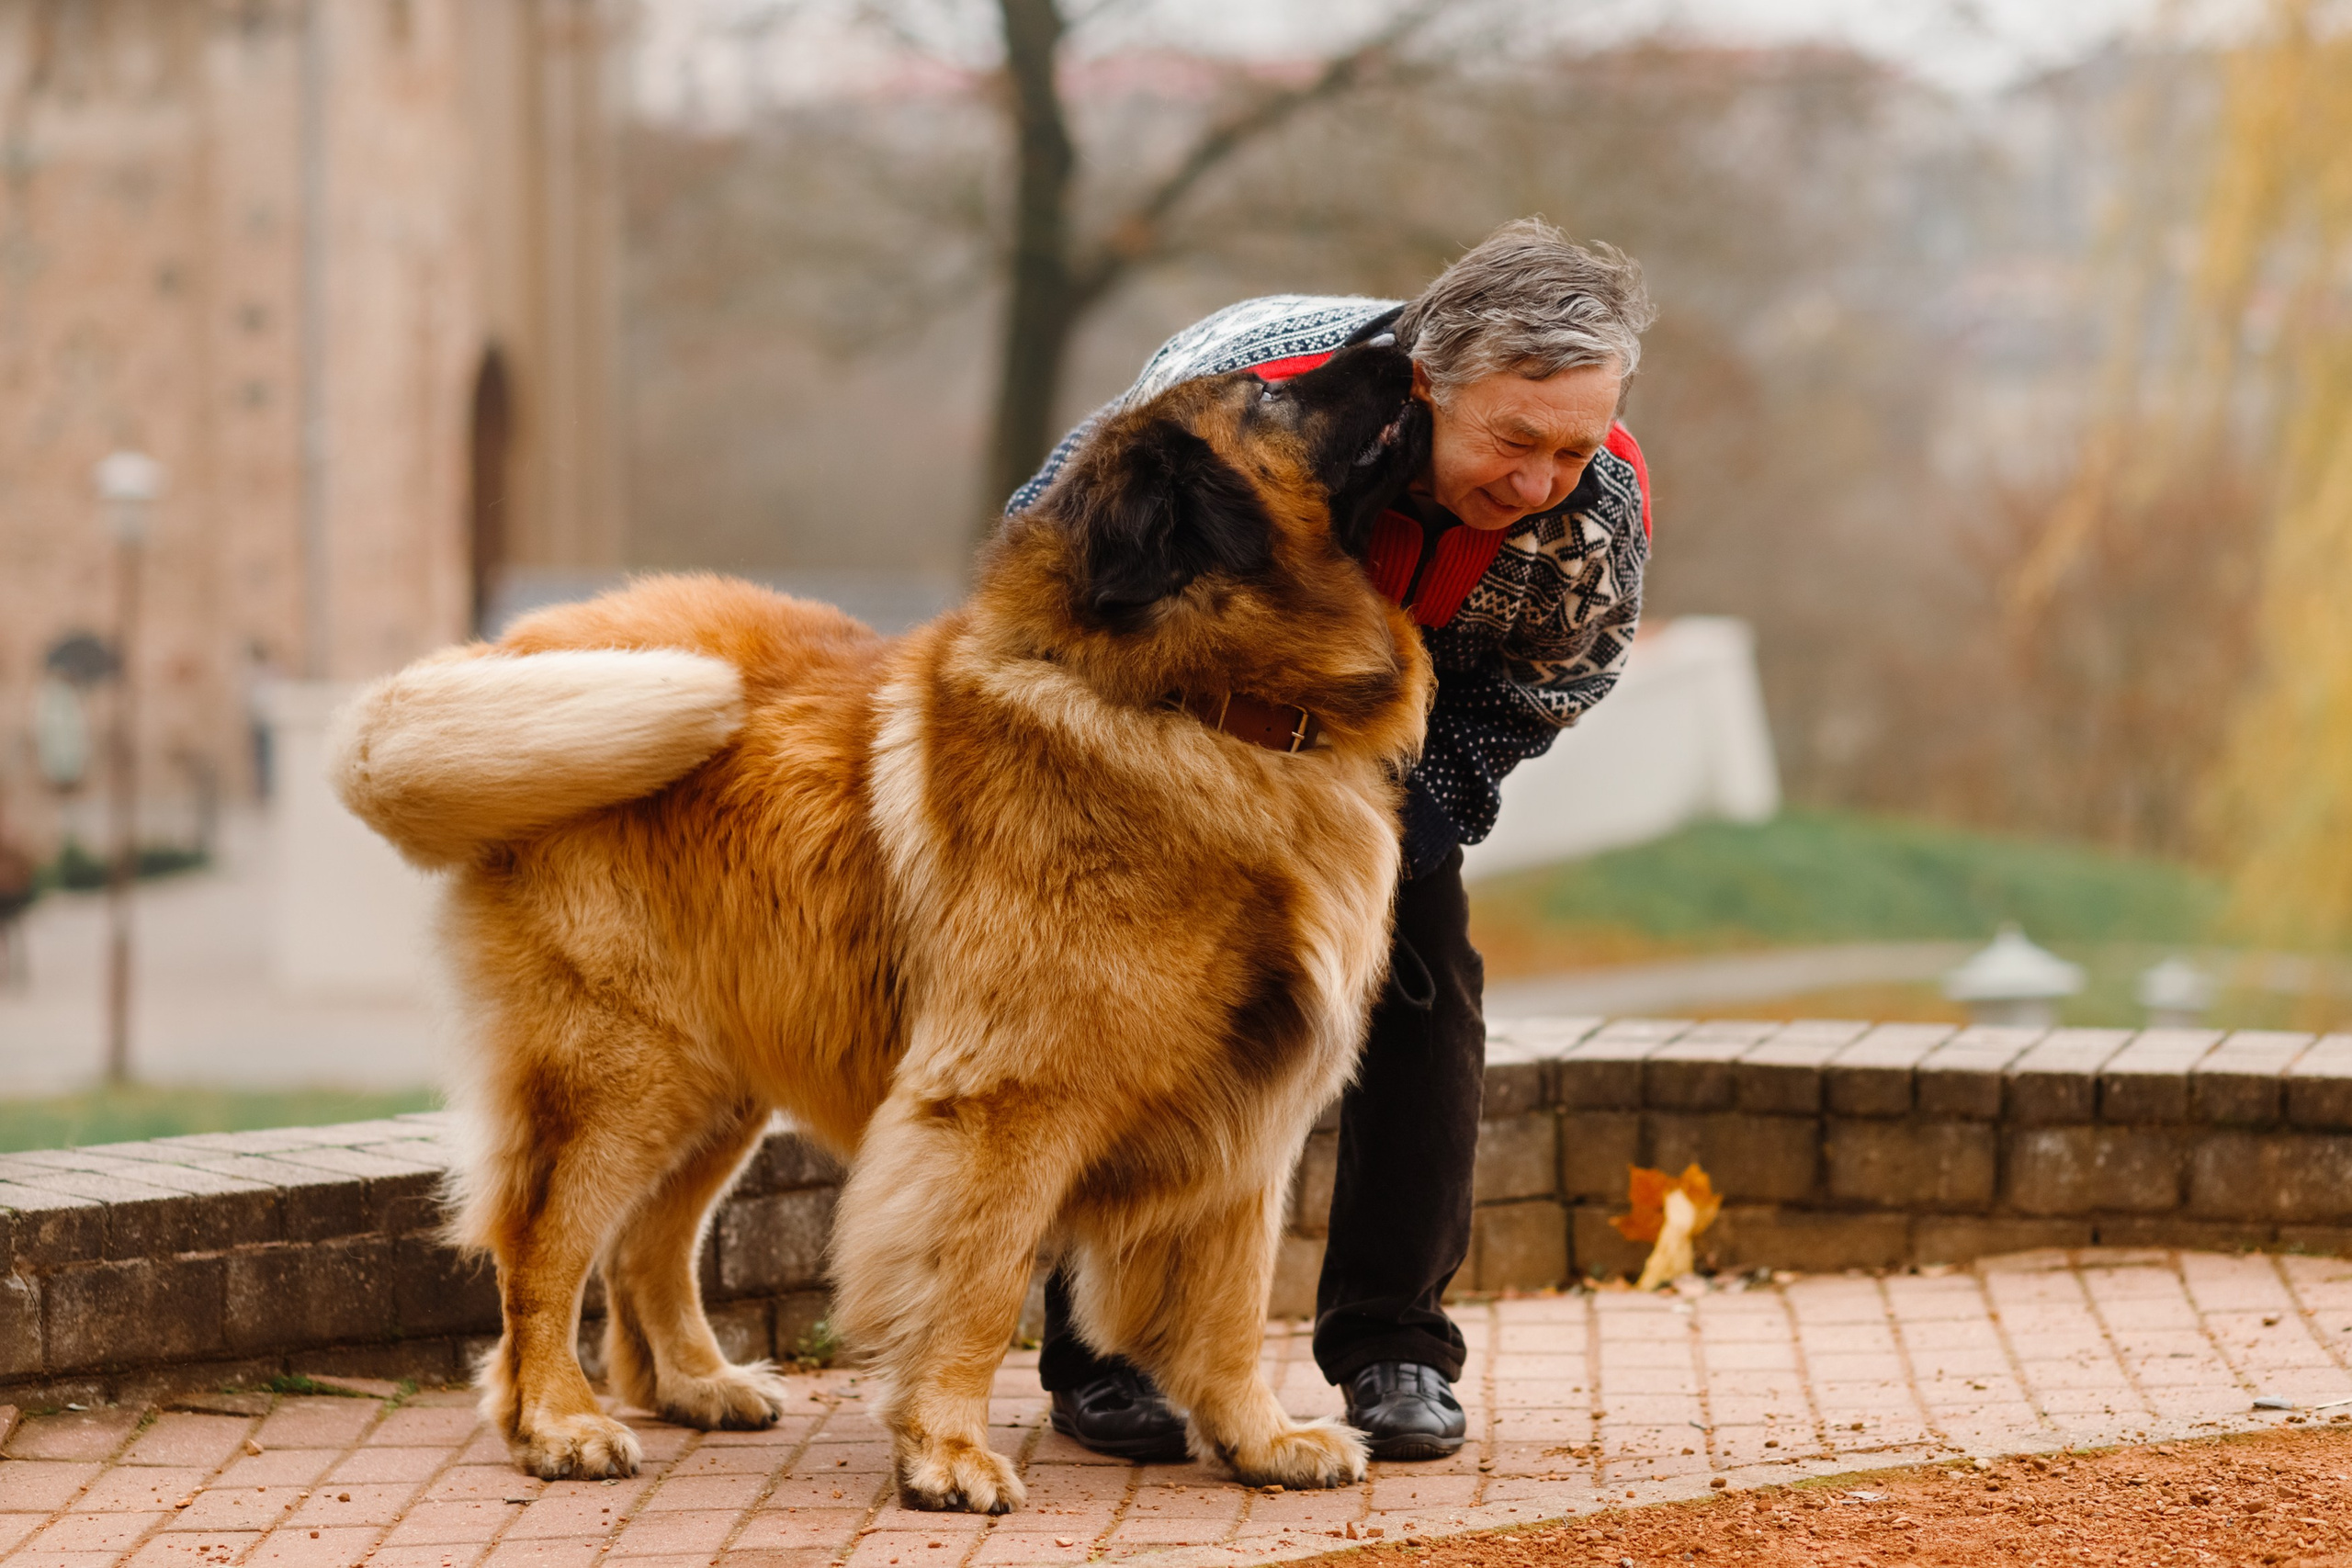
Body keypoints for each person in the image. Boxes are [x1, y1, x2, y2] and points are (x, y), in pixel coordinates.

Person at [1006, 219, 1656, 1462]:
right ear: (1425, 385)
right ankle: (1104, 1354)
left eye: (1570, 448)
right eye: (1513, 441)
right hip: (1165, 712)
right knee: (1134, 1016)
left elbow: (1549, 686)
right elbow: (1055, 550)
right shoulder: (1244, 402)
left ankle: (1393, 1341)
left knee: (1424, 979)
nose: (1538, 482)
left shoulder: (1596, 505)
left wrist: (1420, 819)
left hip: (1391, 743)